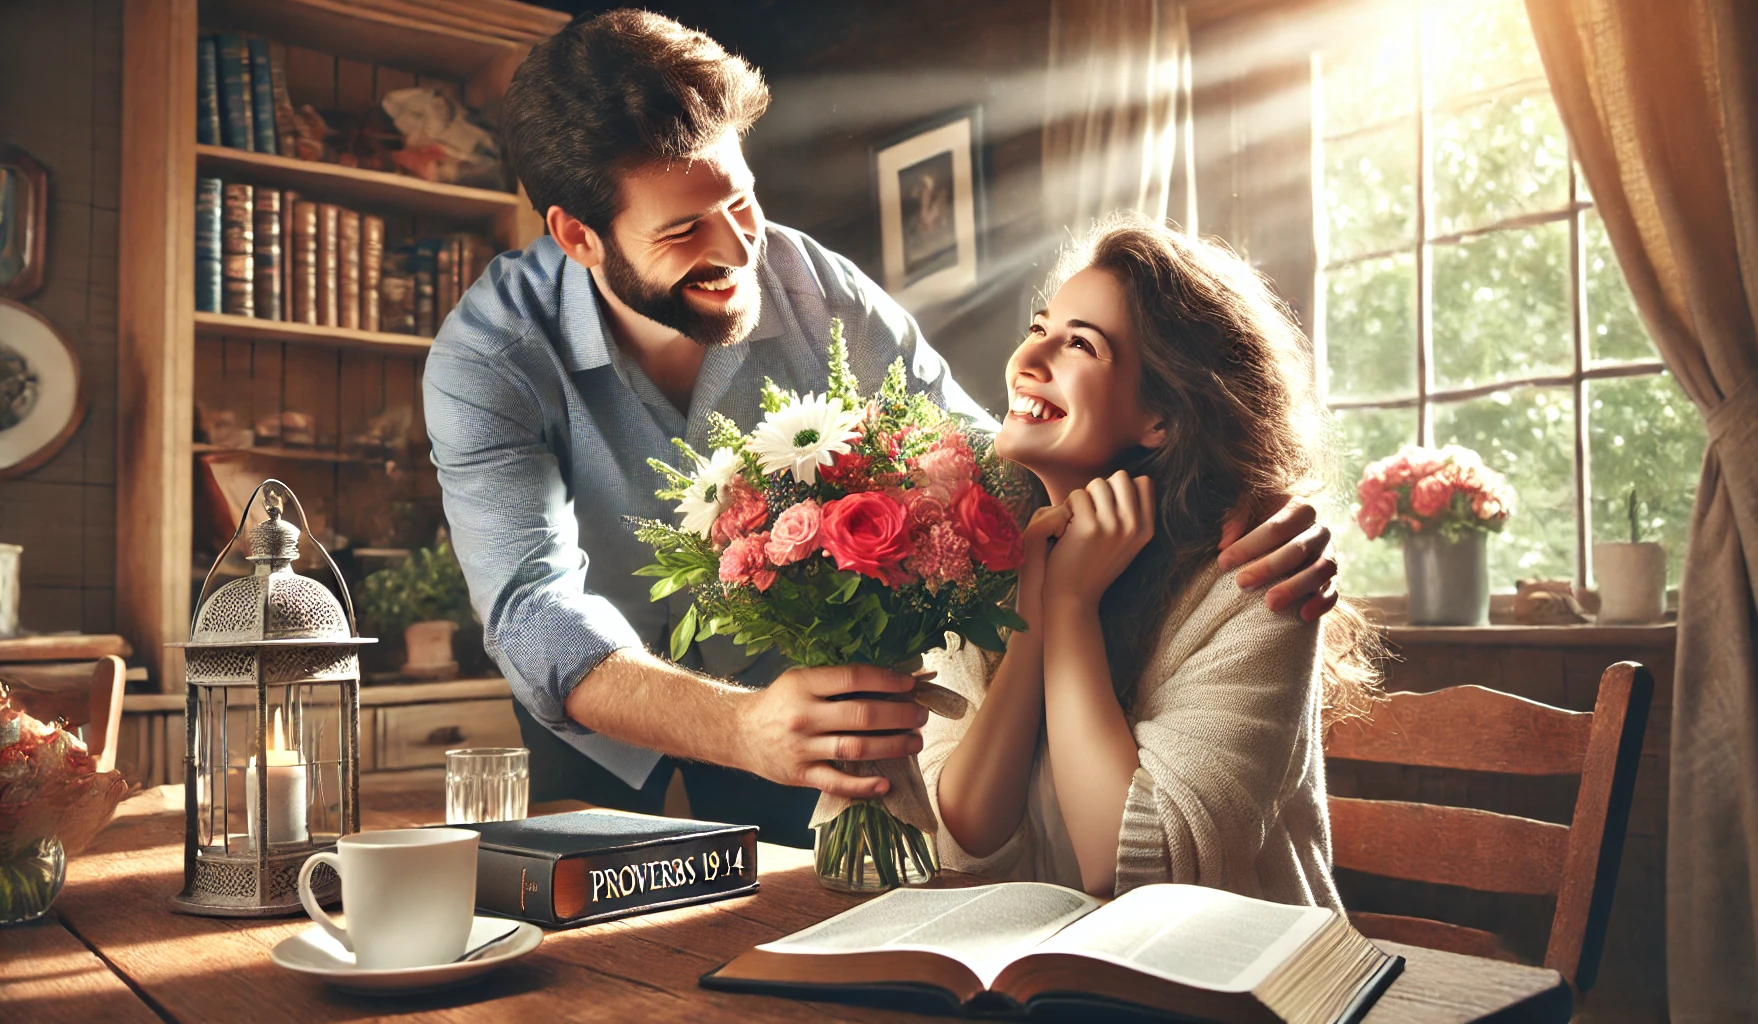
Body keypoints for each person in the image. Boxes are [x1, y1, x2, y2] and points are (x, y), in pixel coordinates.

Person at [424, 10, 1342, 848]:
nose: (740, 249)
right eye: (684, 231)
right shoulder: (490, 358)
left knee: (796, 943)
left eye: (742, 199)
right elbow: (529, 607)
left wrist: (1239, 486)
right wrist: (737, 728)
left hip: (816, 710)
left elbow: (983, 463)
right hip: (604, 725)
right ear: (578, 236)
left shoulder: (819, 290)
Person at [922, 217, 1383, 904]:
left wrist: (1073, 606)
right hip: (1040, 981)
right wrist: (1038, 613)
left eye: (1080, 344)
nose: (1030, 360)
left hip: (1227, 985)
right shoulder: (976, 551)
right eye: (1039, 329)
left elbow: (1140, 870)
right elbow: (963, 834)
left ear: (1161, 417)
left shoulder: (1257, 575)